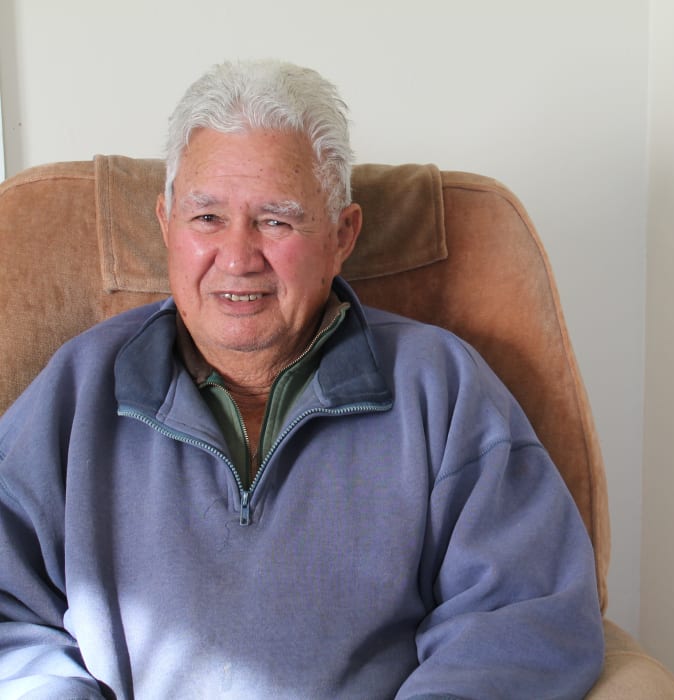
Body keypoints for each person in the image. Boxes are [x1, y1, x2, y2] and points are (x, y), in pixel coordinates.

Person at [0, 60, 604, 699]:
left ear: (342, 236)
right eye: (206, 218)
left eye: (276, 220)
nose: (237, 258)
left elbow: (527, 615)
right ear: (165, 224)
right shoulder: (78, 388)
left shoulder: (443, 388)